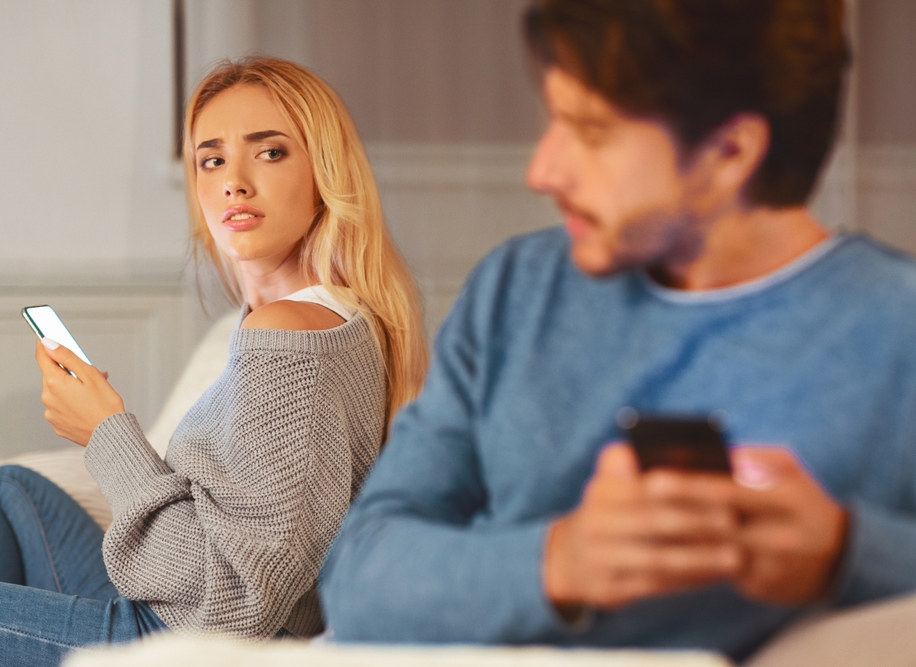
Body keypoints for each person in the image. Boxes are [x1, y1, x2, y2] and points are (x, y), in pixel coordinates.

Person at [319, 0, 916, 661]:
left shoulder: (895, 324)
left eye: (592, 132)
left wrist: (845, 552)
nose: (542, 170)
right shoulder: (516, 292)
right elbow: (358, 575)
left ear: (729, 152)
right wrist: (560, 562)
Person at [0, 57, 426, 665]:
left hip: (173, 639)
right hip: (168, 611)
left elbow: (235, 602)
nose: (233, 181)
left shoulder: (291, 336)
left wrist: (106, 432)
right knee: (4, 494)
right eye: (212, 160)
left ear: (325, 172)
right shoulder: (311, 320)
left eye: (269, 153)